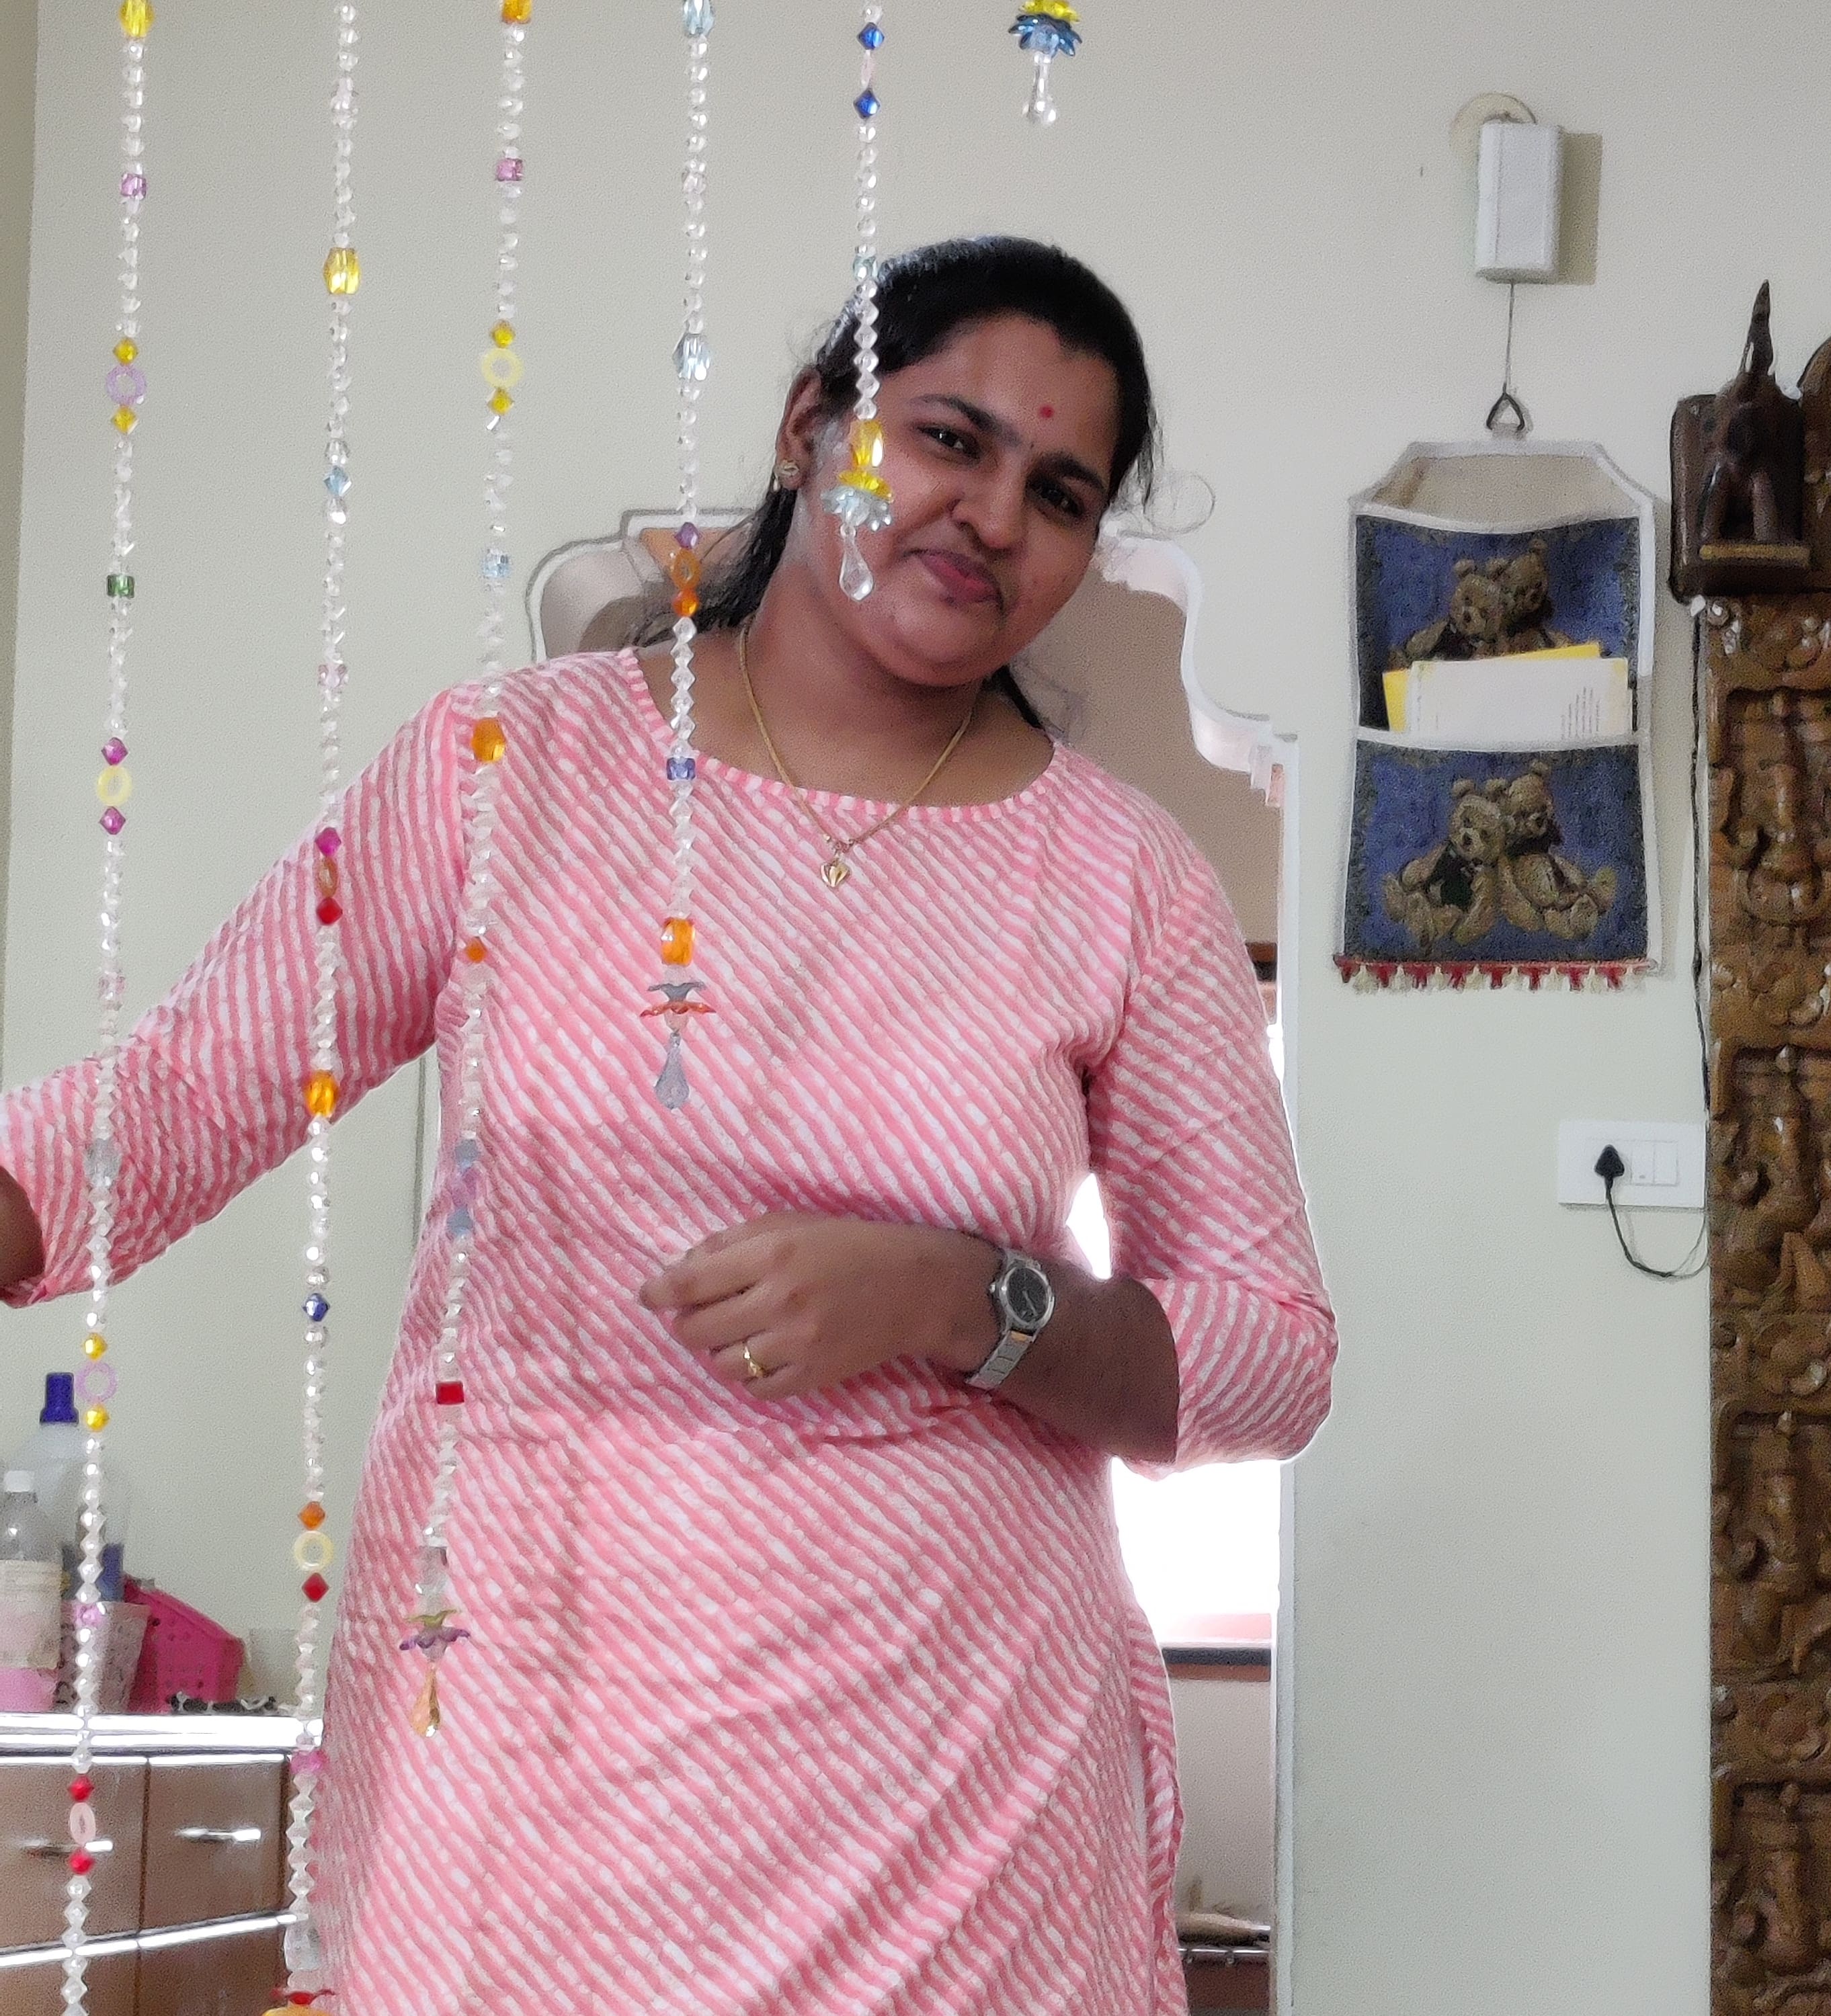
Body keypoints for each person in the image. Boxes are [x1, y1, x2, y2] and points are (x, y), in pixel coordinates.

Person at [0, 236, 1336, 2014]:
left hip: (954, 1780)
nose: (993, 516)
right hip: (528, 1723)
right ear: (808, 428)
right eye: (949, 438)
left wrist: (964, 1299)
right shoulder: (508, 770)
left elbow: (1268, 1353)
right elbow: (183, 1092)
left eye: (1062, 493)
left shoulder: (1123, 881)